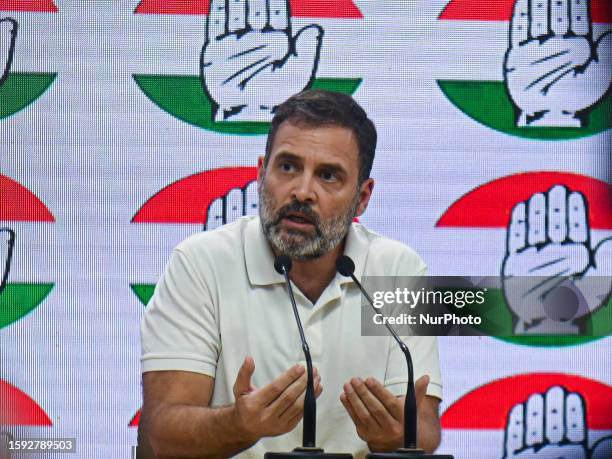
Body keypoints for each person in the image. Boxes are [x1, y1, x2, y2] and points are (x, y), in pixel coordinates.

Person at [138, 90, 443, 458]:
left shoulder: (399, 270)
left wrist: (395, 435)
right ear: (260, 172)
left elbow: (425, 431)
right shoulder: (200, 262)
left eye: (328, 176)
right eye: (287, 167)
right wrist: (238, 425)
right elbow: (164, 434)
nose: (302, 191)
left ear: (363, 197)